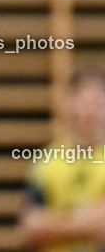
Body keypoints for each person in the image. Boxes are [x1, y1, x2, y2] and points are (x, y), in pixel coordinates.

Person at [19, 72, 105, 252]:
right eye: (85, 102)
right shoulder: (47, 161)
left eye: (97, 104)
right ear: (70, 104)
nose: (90, 111)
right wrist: (85, 221)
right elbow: (31, 228)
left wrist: (54, 224)